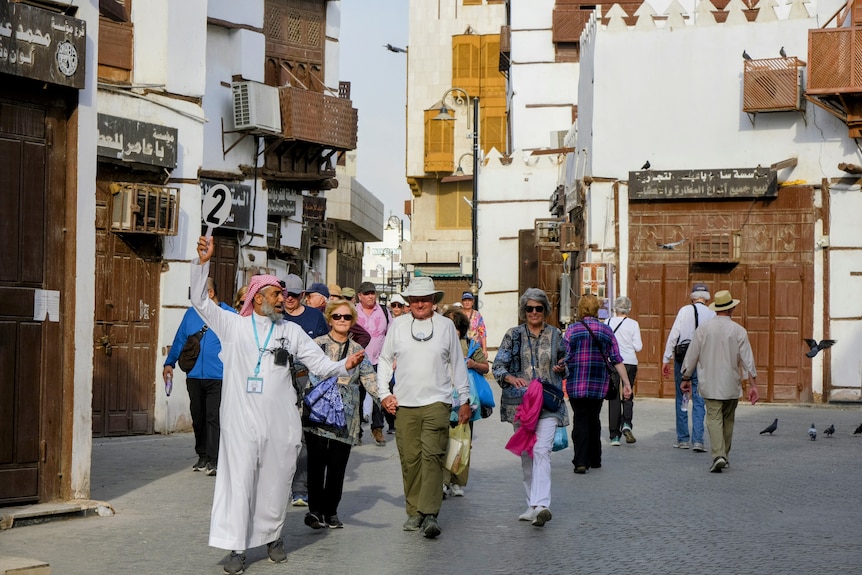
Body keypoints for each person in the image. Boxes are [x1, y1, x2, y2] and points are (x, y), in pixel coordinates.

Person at [191, 236, 365, 575]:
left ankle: (272, 537)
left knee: (275, 480)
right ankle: (237, 547)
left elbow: (317, 364)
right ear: (257, 298)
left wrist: (344, 366)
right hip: (242, 421)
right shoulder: (234, 326)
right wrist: (203, 263)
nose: (282, 299)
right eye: (276, 294)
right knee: (238, 481)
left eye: (283, 295)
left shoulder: (291, 332)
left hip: (281, 421)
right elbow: (200, 301)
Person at [375, 276, 471, 539]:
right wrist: (384, 394)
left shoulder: (445, 327)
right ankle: (414, 510)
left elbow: (457, 364)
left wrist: (464, 399)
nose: (419, 303)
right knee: (410, 458)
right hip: (404, 404)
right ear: (408, 302)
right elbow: (384, 360)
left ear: (433, 301)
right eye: (414, 299)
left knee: (432, 455)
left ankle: (430, 514)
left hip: (437, 402)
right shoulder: (398, 325)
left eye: (424, 299)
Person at [492, 288, 569, 526]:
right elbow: (498, 365)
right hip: (521, 404)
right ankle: (531, 505)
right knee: (527, 455)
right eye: (529, 309)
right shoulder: (512, 335)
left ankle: (542, 505)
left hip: (547, 403)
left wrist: (561, 369)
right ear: (523, 311)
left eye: (538, 308)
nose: (534, 312)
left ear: (545, 310)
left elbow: (566, 363)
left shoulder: (556, 334)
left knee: (541, 450)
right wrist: (509, 378)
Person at [304, 299, 380, 529]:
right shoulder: (316, 345)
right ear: (329, 319)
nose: (342, 321)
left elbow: (368, 379)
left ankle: (331, 511)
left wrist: (385, 400)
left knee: (337, 466)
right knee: (316, 464)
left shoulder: (358, 350)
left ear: (352, 321)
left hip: (346, 417)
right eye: (337, 316)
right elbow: (298, 368)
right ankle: (315, 511)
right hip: (318, 414)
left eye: (347, 317)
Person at [680, 290, 759, 473]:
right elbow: (748, 360)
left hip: (710, 382)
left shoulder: (703, 329)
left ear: (716, 309)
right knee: (728, 420)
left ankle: (719, 455)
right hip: (731, 382)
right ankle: (725, 455)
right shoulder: (739, 330)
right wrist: (753, 385)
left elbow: (692, 355)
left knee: (713, 418)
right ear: (731, 309)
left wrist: (685, 377)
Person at [163, 277, 235, 476]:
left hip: (219, 376)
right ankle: (202, 455)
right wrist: (169, 363)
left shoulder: (228, 314)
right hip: (194, 375)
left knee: (214, 417)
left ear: (210, 293)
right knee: (198, 417)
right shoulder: (190, 314)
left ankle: (215, 459)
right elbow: (180, 340)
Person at [563, 294, 632, 475]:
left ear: (580, 308)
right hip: (598, 384)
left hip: (576, 383)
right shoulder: (606, 330)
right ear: (596, 309)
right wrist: (626, 383)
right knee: (594, 418)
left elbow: (565, 356)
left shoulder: (572, 330)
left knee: (580, 419)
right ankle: (595, 458)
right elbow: (617, 359)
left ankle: (580, 461)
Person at [281, 274, 330, 507]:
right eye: (284, 294)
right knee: (281, 435)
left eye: (293, 295)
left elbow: (326, 349)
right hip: (278, 380)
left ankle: (301, 487)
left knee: (304, 435)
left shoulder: (315, 317)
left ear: (302, 296)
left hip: (307, 381)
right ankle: (280, 483)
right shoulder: (274, 317)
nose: (288, 299)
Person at [662, 282, 716, 452]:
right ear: (707, 297)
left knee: (682, 395)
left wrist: (666, 358)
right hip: (702, 359)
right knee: (700, 398)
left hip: (683, 358)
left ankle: (683, 438)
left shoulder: (684, 311)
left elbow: (674, 335)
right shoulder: (712, 314)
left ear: (692, 296)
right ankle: (698, 440)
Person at [441, 308, 489, 497]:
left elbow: (485, 367)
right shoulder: (438, 344)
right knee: (443, 441)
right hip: (443, 398)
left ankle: (457, 481)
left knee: (463, 442)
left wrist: (472, 364)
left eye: (454, 325)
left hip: (465, 400)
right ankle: (444, 481)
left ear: (460, 328)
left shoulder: (470, 344)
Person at [355, 281, 391, 446]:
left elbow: (391, 335)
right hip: (358, 360)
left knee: (379, 395)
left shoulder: (384, 311)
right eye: (366, 293)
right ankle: (357, 432)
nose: (370, 296)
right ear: (360, 296)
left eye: (372, 293)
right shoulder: (353, 311)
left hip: (379, 360)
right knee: (358, 397)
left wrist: (394, 359)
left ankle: (378, 428)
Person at [606, 296, 643, 446]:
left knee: (613, 397)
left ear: (615, 308)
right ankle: (626, 423)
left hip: (613, 362)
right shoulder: (634, 324)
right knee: (628, 393)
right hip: (630, 362)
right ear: (629, 308)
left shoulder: (608, 322)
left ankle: (614, 436)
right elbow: (638, 346)